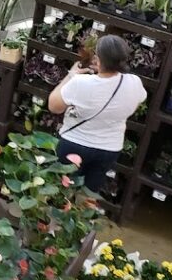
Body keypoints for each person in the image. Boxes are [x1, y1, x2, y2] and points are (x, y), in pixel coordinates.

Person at [48, 34, 146, 191]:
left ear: (98, 60)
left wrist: (71, 76)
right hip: (109, 149)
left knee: (62, 192)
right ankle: (82, 214)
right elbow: (133, 106)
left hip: (74, 144)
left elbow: (54, 106)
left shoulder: (80, 83)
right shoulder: (134, 82)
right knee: (88, 194)